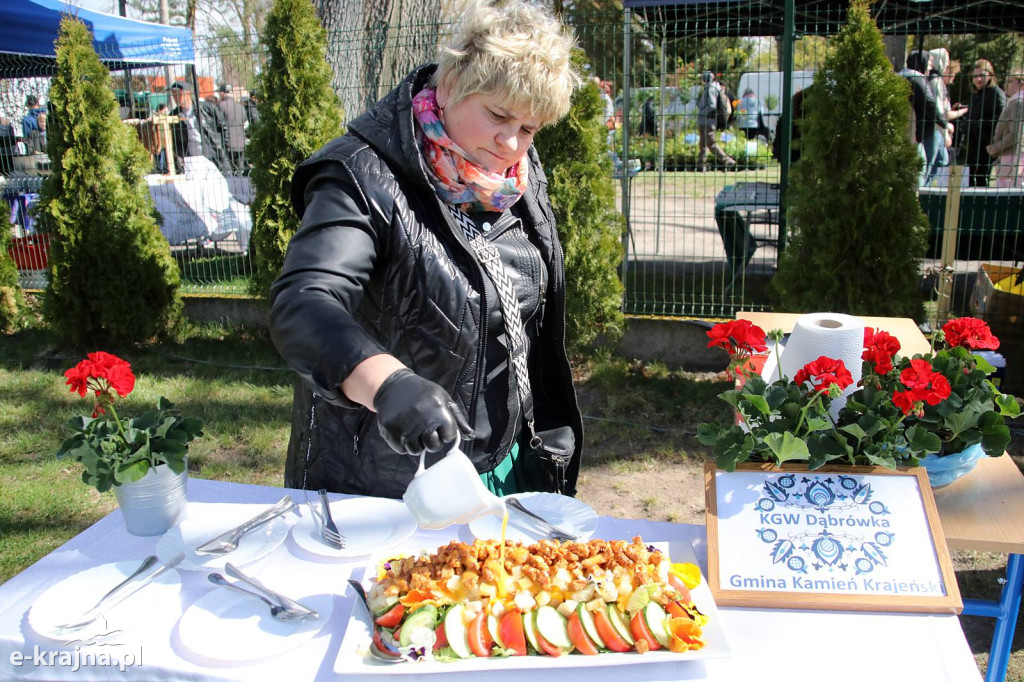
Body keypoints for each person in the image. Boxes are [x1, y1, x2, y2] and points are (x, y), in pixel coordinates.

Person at [268, 0, 585, 498]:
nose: (509, 143)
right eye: (498, 114)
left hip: (510, 457)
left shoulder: (513, 177)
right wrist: (388, 382)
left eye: (529, 128)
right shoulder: (361, 175)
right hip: (389, 474)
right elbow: (304, 304)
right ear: (452, 84)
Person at [901, 51, 946, 186]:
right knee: (918, 175)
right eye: (929, 64)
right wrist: (944, 124)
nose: (930, 68)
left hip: (900, 136)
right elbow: (930, 105)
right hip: (915, 136)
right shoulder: (917, 79)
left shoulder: (899, 76)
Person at [961, 59, 1006, 187]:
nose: (978, 79)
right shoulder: (976, 94)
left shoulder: (996, 93)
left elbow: (1001, 118)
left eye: (982, 75)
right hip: (973, 143)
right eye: (975, 76)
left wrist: (981, 124)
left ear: (990, 75)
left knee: (981, 177)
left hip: (986, 143)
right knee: (969, 177)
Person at [168, 81, 229, 173]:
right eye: (173, 95)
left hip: (211, 155)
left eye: (177, 94)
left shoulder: (207, 108)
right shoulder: (174, 114)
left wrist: (225, 149)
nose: (175, 98)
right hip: (190, 159)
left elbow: (224, 127)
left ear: (187, 93)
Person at [987, 71, 1024, 189]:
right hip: (1010, 154)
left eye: (1010, 81)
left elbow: (1015, 134)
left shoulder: (1018, 102)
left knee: (1008, 191)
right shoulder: (1014, 101)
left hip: (1013, 155)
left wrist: (995, 148)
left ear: (1022, 85)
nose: (1005, 85)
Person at [696, 71, 735, 170]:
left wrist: (702, 112)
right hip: (706, 120)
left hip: (707, 120)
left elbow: (712, 105)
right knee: (703, 144)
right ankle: (701, 164)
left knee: (711, 143)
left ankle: (728, 161)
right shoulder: (714, 88)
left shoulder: (711, 89)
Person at [216, 84, 249, 173]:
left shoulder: (220, 106)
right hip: (241, 143)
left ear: (222, 93)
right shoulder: (240, 107)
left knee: (228, 172)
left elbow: (218, 124)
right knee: (240, 171)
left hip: (227, 143)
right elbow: (245, 124)